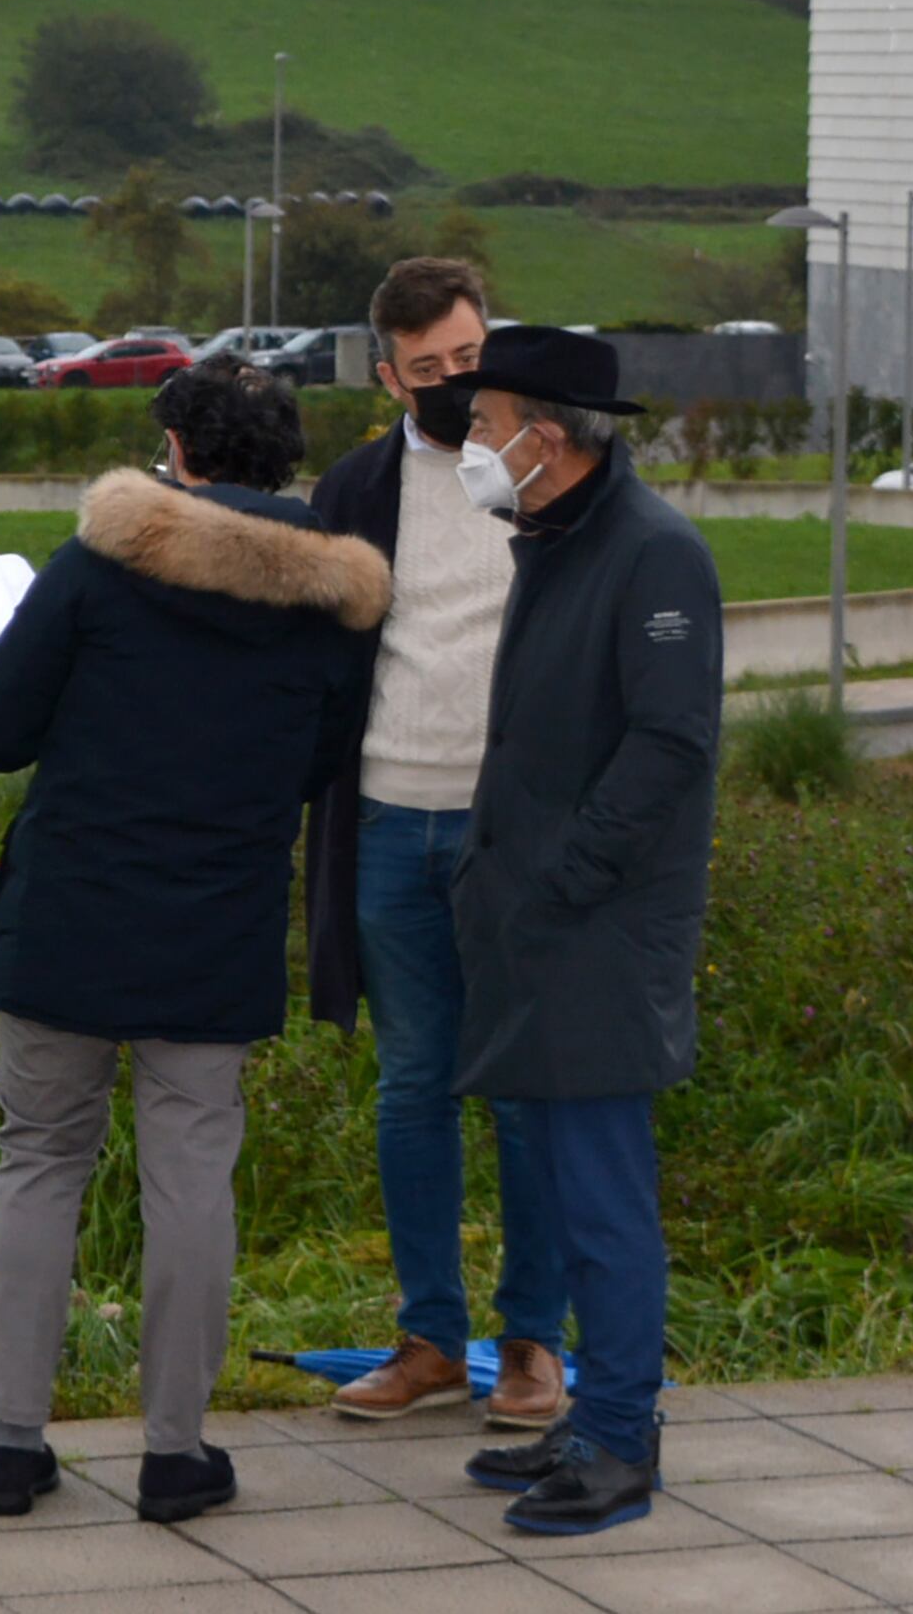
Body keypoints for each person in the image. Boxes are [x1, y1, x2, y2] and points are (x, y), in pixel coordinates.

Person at [0, 357, 388, 1527]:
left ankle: (11, 1448)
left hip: (68, 915)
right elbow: (318, 765)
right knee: (190, 1177)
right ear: (281, 462)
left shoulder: (101, 564)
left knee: (38, 1158)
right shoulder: (332, 606)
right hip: (216, 923)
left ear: (181, 454)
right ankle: (174, 1453)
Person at [438, 326, 722, 1539]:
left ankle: (620, 1437)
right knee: (555, 1187)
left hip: (597, 927)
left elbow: (668, 743)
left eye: (482, 415)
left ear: (542, 436)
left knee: (604, 1199)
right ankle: (598, 1412)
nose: (469, 439)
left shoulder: (653, 553)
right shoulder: (554, 536)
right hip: (536, 921)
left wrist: (562, 876)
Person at [298, 256, 565, 1432]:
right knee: (413, 1083)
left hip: (508, 824)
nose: (455, 383)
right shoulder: (352, 488)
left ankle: (531, 1345)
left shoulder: (550, 474)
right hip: (385, 818)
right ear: (387, 373)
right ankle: (426, 1336)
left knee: (522, 1089)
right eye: (429, 370)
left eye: (469, 358)